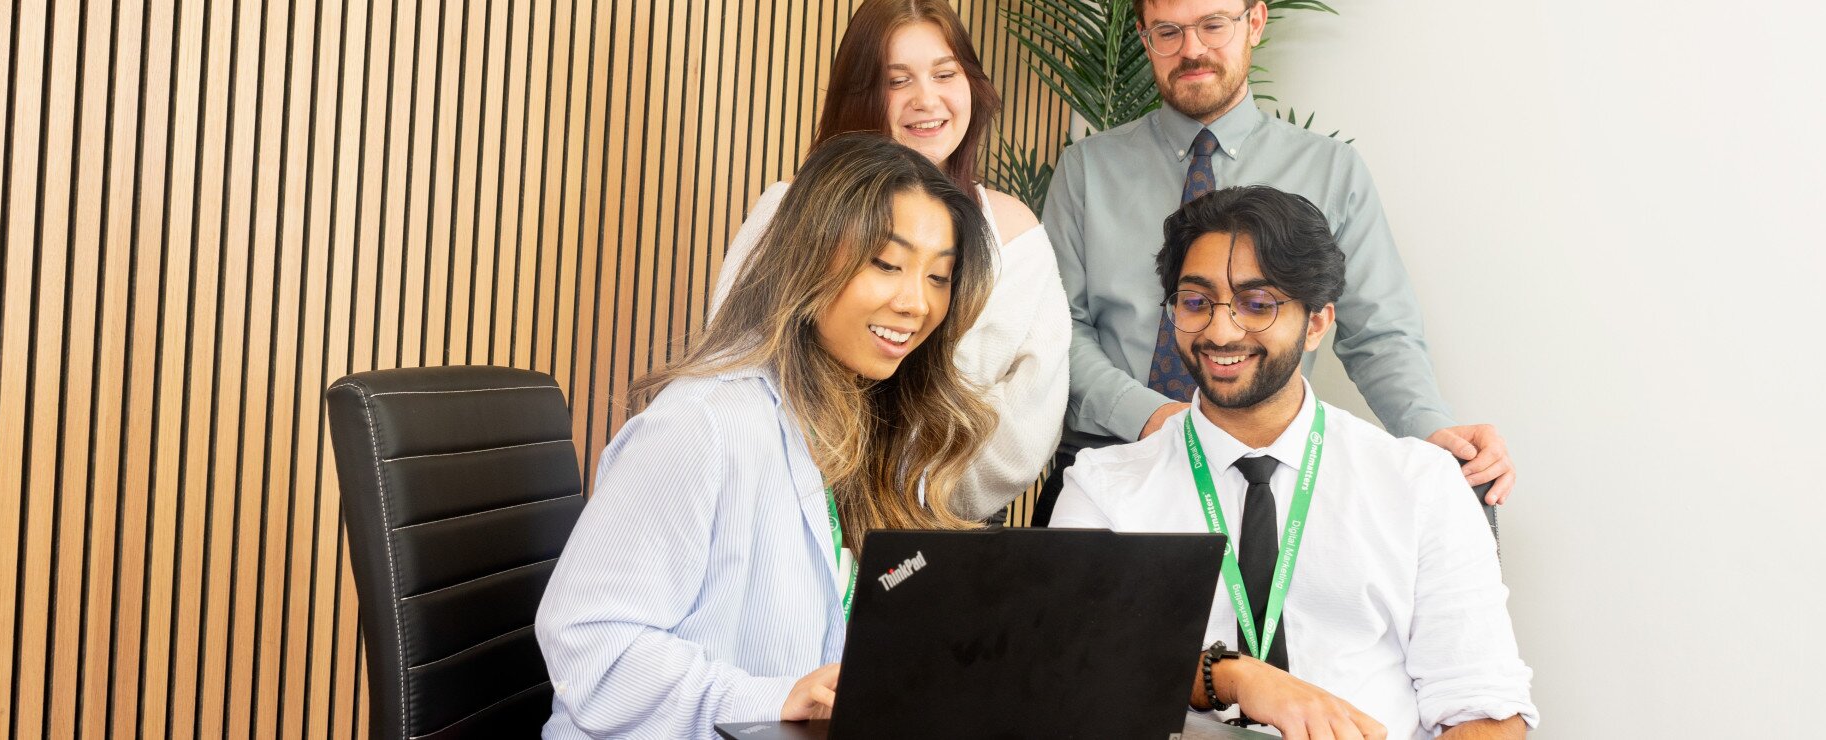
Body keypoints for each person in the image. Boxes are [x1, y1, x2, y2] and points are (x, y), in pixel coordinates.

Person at [535, 133, 997, 739]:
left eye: (939, 276)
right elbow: (591, 647)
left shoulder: (871, 431)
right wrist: (772, 697)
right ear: (810, 257)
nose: (916, 302)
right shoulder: (702, 426)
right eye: (887, 263)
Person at [1051, 186, 1536, 740]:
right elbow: (1074, 662)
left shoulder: (1420, 483)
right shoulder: (1104, 488)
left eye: (1258, 305)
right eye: (1195, 301)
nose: (1220, 330)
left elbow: (1483, 708)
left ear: (1317, 323)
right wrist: (1232, 678)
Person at [1036, 0, 1515, 524]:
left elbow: (1380, 333)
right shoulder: (1085, 169)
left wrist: (1428, 430)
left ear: (1255, 22)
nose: (1191, 49)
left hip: (1262, 476)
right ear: (1144, 37)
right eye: (1168, 31)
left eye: (1213, 25)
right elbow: (1058, 329)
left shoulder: (1332, 171)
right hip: (1109, 457)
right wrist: (1155, 418)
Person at [709, 0, 1068, 521]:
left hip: (943, 526)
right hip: (790, 512)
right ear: (860, 96)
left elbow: (1032, 412)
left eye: (945, 73)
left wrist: (915, 497)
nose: (927, 99)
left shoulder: (1016, 233)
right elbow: (735, 362)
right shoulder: (790, 210)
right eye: (898, 81)